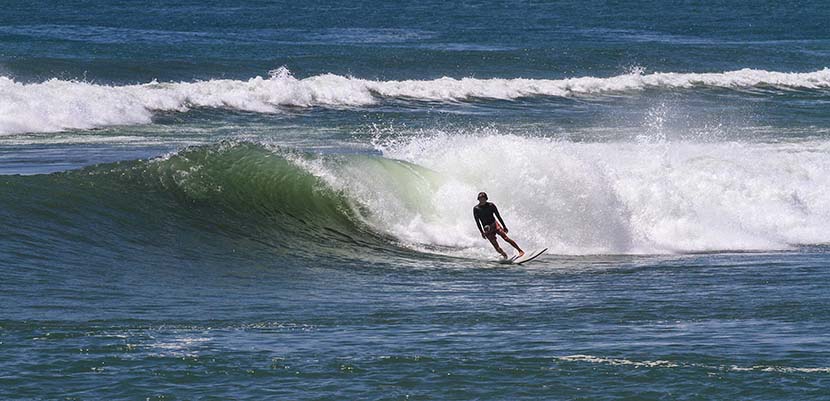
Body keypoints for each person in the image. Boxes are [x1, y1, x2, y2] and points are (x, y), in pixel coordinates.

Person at [473, 192, 524, 259]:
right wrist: (481, 232)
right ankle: (504, 255)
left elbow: (498, 216)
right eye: (480, 199)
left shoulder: (491, 205)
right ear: (478, 199)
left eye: (483, 198)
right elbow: (477, 222)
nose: (482, 200)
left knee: (506, 238)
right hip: (487, 230)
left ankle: (520, 251)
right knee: (496, 247)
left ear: (486, 199)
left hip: (495, 225)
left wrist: (504, 226)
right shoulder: (476, 209)